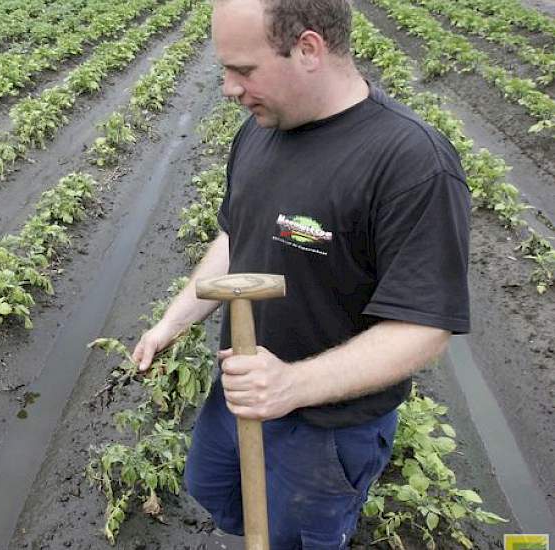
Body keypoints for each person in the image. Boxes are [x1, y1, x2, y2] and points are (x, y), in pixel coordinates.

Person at [131, 0, 471, 547]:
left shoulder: (410, 162)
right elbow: (237, 236)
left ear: (308, 49)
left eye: (243, 69)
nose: (228, 88)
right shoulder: (260, 131)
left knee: (295, 536)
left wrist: (291, 385)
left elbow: (425, 327)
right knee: (213, 489)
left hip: (327, 428)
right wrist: (173, 321)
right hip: (244, 390)